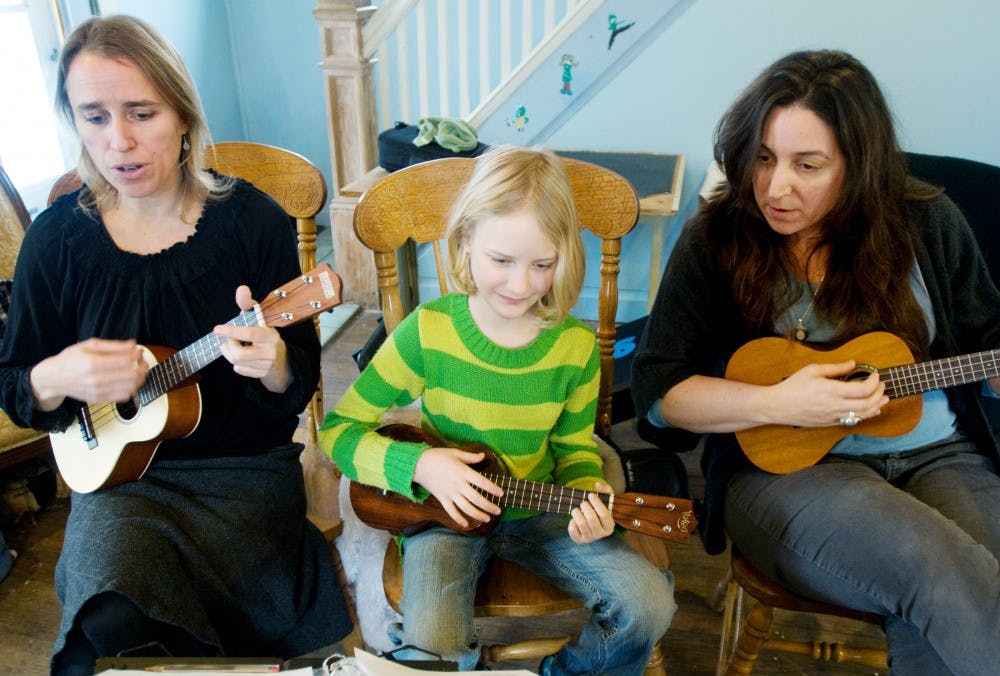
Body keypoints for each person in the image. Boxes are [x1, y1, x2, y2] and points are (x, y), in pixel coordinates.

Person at [0, 15, 351, 674]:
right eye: (94, 117)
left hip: (241, 478)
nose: (120, 141)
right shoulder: (56, 240)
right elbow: (15, 387)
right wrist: (57, 375)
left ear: (184, 116)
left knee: (188, 636)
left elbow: (296, 384)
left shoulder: (254, 223)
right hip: (119, 483)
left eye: (141, 112)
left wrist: (275, 365)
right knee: (106, 631)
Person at [632, 49, 1000, 674]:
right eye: (765, 158)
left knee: (958, 595)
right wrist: (776, 403)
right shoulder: (716, 238)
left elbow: (987, 337)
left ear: (861, 166)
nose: (777, 187)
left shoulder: (929, 220)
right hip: (787, 473)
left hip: (941, 452)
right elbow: (659, 393)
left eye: (809, 165)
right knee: (936, 568)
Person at [320, 145, 675, 674]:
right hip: (444, 516)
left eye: (542, 265)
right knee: (434, 640)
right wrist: (420, 466)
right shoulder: (428, 330)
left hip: (541, 512)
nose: (520, 285)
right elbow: (338, 432)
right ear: (465, 241)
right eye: (501, 261)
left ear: (564, 256)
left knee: (649, 604)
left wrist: (586, 500)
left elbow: (574, 449)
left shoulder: (574, 348)